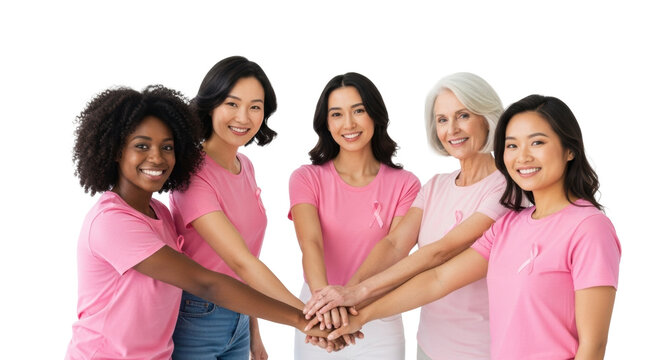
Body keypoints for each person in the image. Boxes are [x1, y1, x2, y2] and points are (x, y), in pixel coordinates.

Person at [325, 95, 621, 360]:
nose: (523, 156)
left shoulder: (589, 227)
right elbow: (438, 280)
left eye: (538, 142)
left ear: (570, 150)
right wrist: (361, 315)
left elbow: (594, 345)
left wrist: (358, 294)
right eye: (512, 145)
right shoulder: (508, 224)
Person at [65, 85, 328, 360]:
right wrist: (302, 319)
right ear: (116, 151)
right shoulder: (112, 222)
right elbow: (206, 283)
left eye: (167, 147)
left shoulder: (159, 213)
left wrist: (255, 328)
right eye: (142, 146)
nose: (156, 157)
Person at [304, 72, 508, 359]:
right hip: (428, 345)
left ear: (487, 118)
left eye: (463, 115)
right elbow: (395, 245)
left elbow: (440, 254)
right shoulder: (435, 185)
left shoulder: (506, 189)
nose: (452, 129)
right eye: (442, 119)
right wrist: (343, 299)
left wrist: (356, 297)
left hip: (479, 349)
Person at [168, 56, 319, 359]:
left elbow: (248, 258)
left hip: (240, 313)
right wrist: (306, 316)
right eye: (232, 104)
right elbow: (240, 262)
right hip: (197, 316)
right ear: (210, 105)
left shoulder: (244, 165)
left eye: (255, 106)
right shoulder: (192, 175)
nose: (243, 117)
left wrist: (254, 332)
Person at [289, 72, 421, 359]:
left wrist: (346, 298)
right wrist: (327, 306)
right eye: (337, 114)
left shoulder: (406, 184)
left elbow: (395, 249)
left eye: (358, 110)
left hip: (379, 315)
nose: (348, 124)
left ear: (375, 115)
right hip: (318, 311)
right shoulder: (306, 178)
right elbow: (310, 243)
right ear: (326, 122)